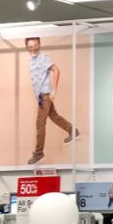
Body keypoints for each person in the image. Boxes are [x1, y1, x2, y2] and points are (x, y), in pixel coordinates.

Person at [25, 37, 79, 165]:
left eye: (35, 45)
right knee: (54, 116)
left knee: (40, 123)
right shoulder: (31, 61)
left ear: (39, 45)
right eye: (30, 46)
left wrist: (53, 91)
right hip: (41, 96)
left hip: (45, 95)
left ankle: (39, 153)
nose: (33, 48)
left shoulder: (43, 58)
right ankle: (72, 131)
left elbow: (56, 70)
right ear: (27, 47)